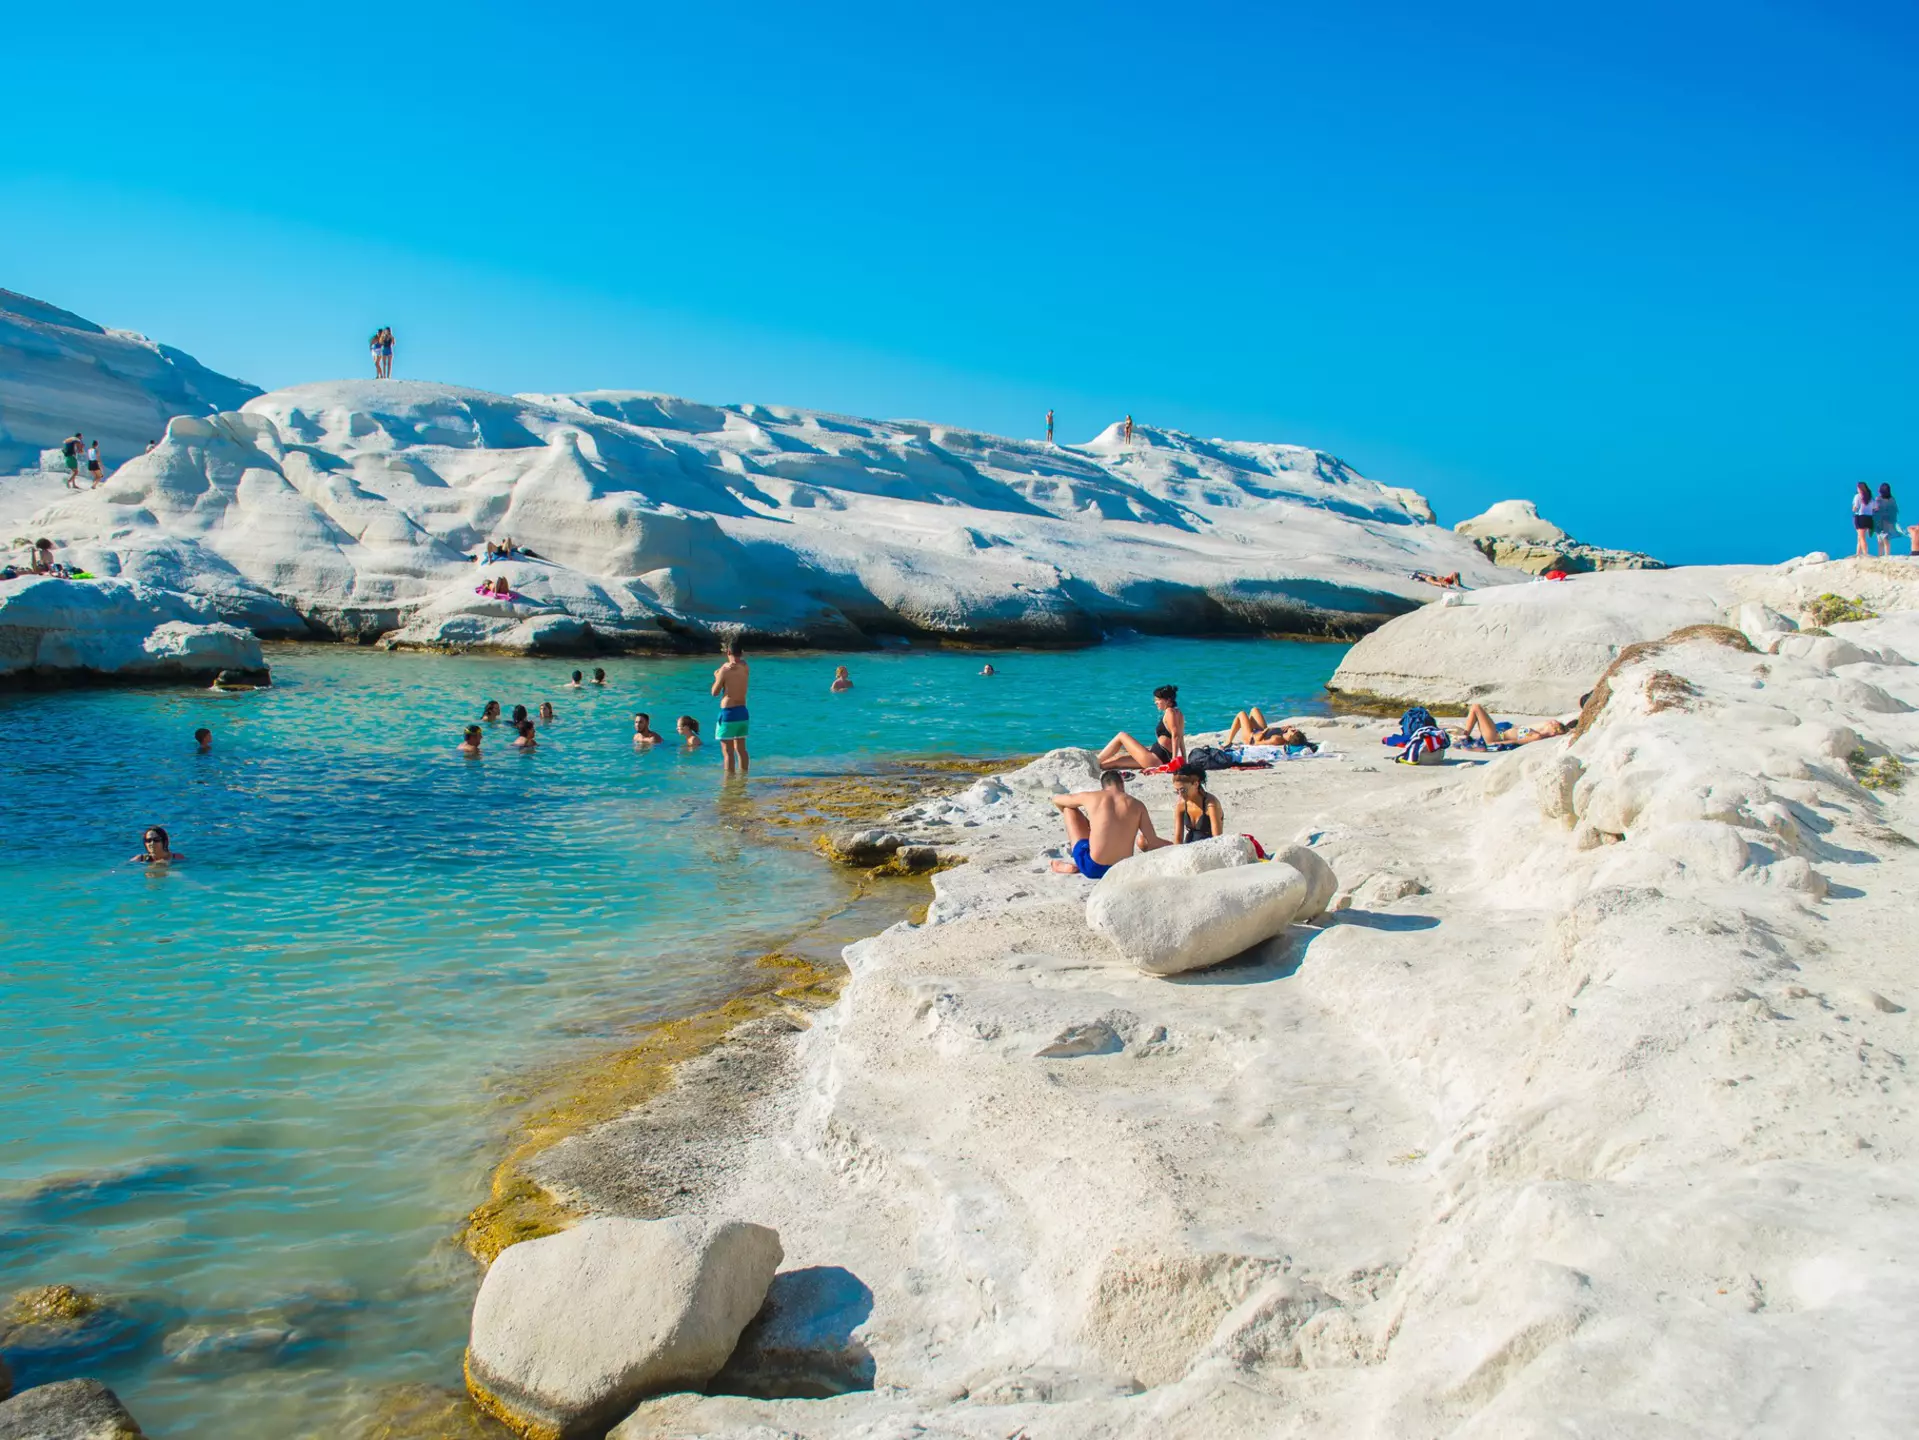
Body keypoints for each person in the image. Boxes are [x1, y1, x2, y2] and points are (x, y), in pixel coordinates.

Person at [1048, 770, 1168, 878]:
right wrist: (1173, 845)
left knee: (1069, 808)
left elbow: (1057, 800)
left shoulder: (1091, 796)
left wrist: (1085, 823)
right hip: (1122, 869)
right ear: (1122, 784)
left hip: (1093, 868)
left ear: (1103, 787)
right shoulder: (1138, 805)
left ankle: (1073, 865)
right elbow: (1153, 842)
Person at [1097, 684, 1184, 770]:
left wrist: (1174, 760)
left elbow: (1176, 736)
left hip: (1153, 759)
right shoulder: (1179, 713)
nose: (1155, 702)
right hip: (1157, 759)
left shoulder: (1169, 712)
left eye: (1158, 700)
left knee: (1121, 735)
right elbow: (1181, 737)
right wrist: (1184, 759)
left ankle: (1095, 761)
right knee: (1115, 761)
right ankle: (1095, 766)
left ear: (1168, 700)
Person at [1453, 701, 1577, 749]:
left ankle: (1465, 735)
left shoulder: (1536, 736)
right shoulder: (1538, 731)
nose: (1551, 722)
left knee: (1476, 707)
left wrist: (1494, 743)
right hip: (1500, 731)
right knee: (1476, 709)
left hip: (1495, 736)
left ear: (1553, 732)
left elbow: (1516, 741)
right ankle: (1465, 736)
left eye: (1553, 724)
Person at [710, 639, 750, 774]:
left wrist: (717, 676)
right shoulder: (745, 667)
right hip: (743, 712)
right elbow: (737, 665)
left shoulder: (724, 671)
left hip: (728, 713)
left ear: (728, 652)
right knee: (741, 750)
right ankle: (744, 777)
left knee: (728, 752)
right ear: (741, 653)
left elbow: (714, 692)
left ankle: (729, 782)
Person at [1170, 765, 1226, 844]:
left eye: (1183, 790)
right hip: (1188, 846)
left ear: (1196, 784)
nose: (1180, 795)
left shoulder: (1210, 804)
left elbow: (1217, 838)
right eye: (1177, 791)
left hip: (1208, 847)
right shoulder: (1181, 804)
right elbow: (1178, 838)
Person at [1224, 708, 1315, 750]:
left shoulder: (1277, 739)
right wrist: (1289, 728)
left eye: (1294, 731)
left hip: (1251, 738)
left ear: (1290, 737)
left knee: (1241, 714)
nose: (1294, 729)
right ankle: (1248, 725)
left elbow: (1258, 742)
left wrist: (1265, 731)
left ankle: (1228, 741)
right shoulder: (1285, 733)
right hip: (1260, 731)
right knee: (1255, 710)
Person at [1873, 484, 1900, 558]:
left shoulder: (1878, 499)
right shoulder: (1892, 499)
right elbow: (1895, 511)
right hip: (1889, 522)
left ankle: (1881, 555)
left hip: (1880, 521)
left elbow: (1876, 509)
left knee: (1880, 540)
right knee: (1886, 539)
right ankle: (1886, 555)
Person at [1854, 482, 1878, 557]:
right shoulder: (1870, 497)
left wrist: (1853, 508)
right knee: (1860, 537)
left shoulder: (1857, 496)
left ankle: (1865, 553)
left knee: (1862, 537)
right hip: (1869, 518)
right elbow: (1876, 508)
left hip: (1860, 517)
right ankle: (1858, 553)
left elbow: (1855, 508)